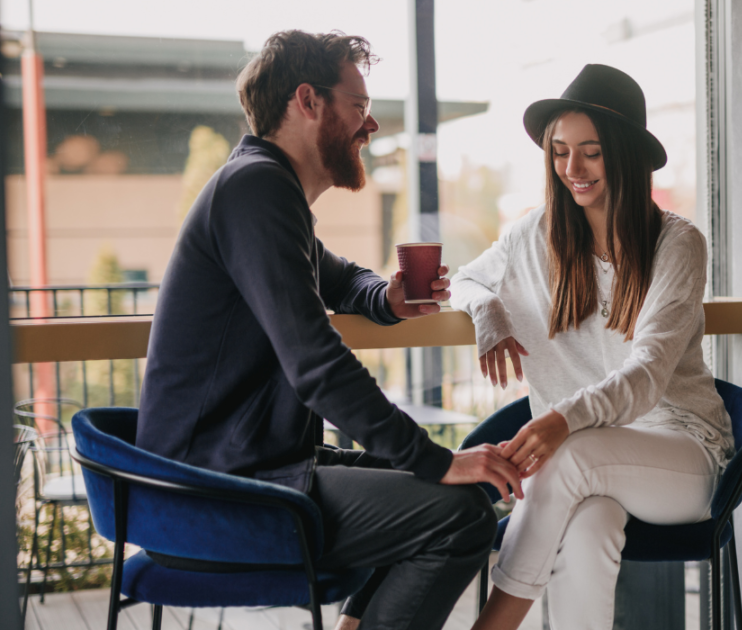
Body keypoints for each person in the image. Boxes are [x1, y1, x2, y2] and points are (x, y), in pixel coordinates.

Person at [135, 30, 523, 630]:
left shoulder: (265, 190)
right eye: (359, 108)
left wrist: (389, 298)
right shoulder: (256, 189)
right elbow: (316, 362)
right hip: (214, 491)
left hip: (245, 467)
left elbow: (341, 279)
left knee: (467, 499)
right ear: (308, 101)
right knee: (459, 516)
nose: (369, 128)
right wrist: (432, 458)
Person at [449, 64, 735, 630]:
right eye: (559, 151)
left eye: (591, 152)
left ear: (624, 154)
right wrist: (487, 311)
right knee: (588, 531)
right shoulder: (533, 235)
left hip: (682, 451)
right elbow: (467, 279)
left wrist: (562, 420)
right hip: (592, 465)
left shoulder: (676, 244)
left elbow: (648, 373)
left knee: (570, 455)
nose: (571, 169)